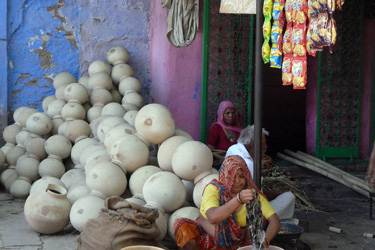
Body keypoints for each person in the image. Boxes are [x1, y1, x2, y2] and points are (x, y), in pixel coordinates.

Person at [173, 155, 281, 250]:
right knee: (182, 227)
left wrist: (265, 241)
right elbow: (212, 217)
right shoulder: (214, 189)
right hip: (207, 238)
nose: (237, 181)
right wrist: (238, 200)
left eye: (241, 176)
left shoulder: (251, 194)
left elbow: (274, 221)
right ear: (225, 175)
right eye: (232, 176)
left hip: (235, 243)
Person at [225, 125, 296, 220]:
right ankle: (267, 221)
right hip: (247, 214)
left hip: (231, 205)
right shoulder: (249, 165)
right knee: (289, 196)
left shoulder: (232, 148)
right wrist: (279, 193)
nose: (266, 147)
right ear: (253, 145)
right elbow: (259, 197)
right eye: (263, 144)